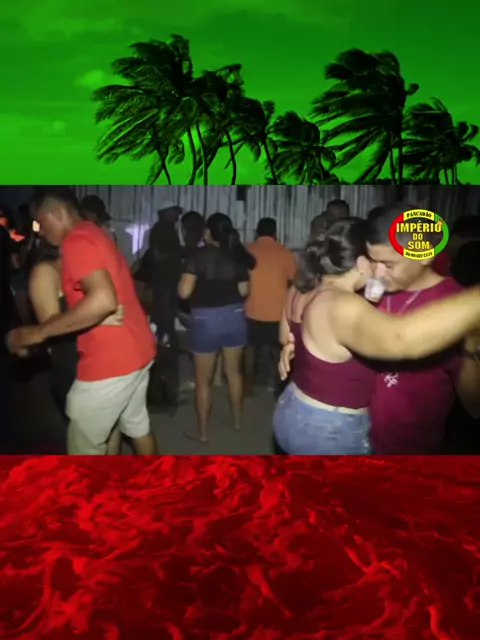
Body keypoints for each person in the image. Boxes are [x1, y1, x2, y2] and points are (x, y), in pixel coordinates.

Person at [278, 205, 480, 455]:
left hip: (409, 446)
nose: (378, 273)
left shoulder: (455, 306)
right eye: (372, 261)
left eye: (388, 264)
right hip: (354, 433)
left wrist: (471, 348)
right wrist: (298, 345)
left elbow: (474, 404)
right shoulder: (369, 287)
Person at [7, 188, 158, 456]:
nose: (40, 231)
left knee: (83, 451)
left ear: (56, 214)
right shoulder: (95, 233)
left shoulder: (75, 242)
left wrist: (37, 333)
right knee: (137, 428)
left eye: (41, 223)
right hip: (138, 351)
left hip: (109, 363)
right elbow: (111, 296)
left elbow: (103, 300)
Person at [28, 238, 124, 454]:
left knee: (112, 430)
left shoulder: (91, 269)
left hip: (104, 361)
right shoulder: (46, 271)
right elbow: (49, 329)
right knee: (87, 442)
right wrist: (99, 319)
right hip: (73, 367)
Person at [177, 212, 256, 442]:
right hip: (235, 317)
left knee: (203, 380)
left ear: (208, 232)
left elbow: (184, 292)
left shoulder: (197, 256)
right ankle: (238, 421)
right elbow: (244, 291)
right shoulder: (237, 256)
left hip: (205, 319)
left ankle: (202, 432)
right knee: (234, 373)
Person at [244, 217, 297, 394]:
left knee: (250, 349)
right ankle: (277, 385)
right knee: (277, 350)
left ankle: (248, 386)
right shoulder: (285, 253)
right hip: (277, 311)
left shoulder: (247, 251)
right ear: (274, 233)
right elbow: (293, 282)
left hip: (251, 309)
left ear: (257, 232)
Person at [148, 202, 183, 407]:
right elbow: (158, 256)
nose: (178, 216)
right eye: (175, 212)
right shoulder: (161, 230)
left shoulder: (167, 228)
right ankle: (163, 363)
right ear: (165, 212)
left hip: (167, 282)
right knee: (165, 322)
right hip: (164, 282)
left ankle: (165, 352)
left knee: (165, 321)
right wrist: (179, 253)